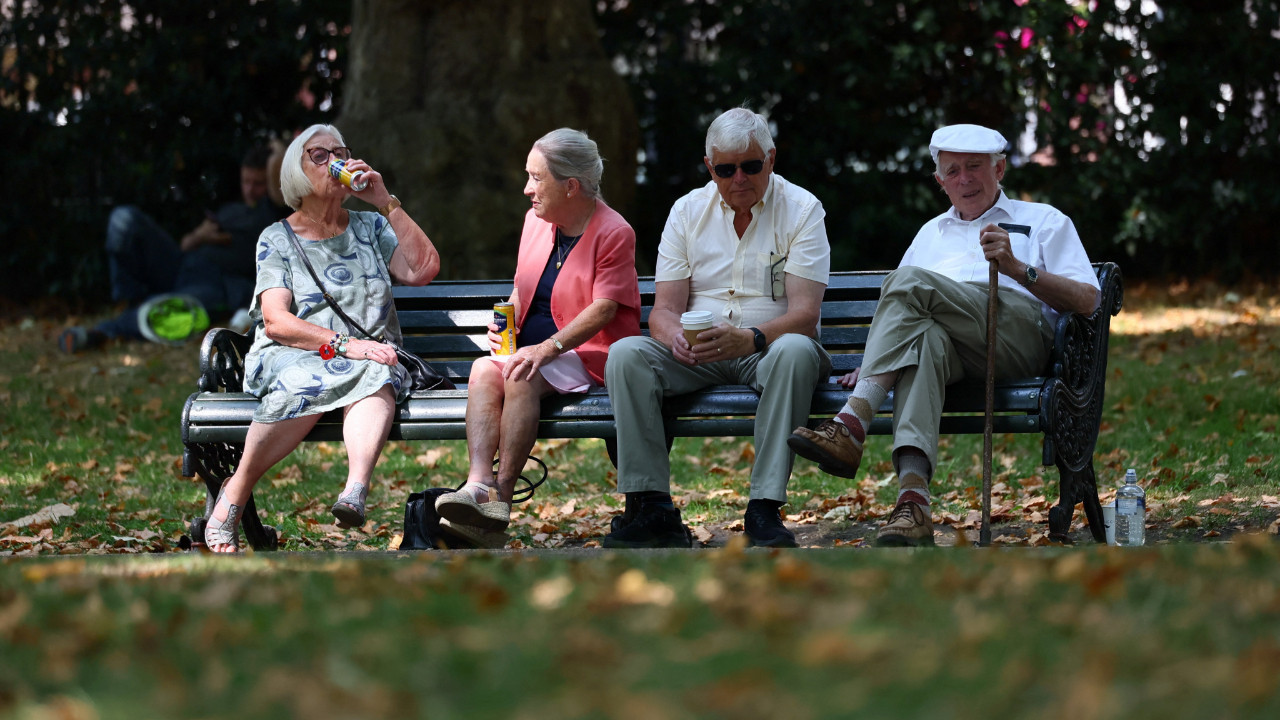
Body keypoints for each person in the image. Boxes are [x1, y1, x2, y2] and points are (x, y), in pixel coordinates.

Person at [788, 124, 1101, 547]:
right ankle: (913, 504)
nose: (965, 179)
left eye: (975, 167)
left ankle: (851, 421)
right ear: (940, 182)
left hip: (1017, 337)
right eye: (953, 171)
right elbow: (905, 312)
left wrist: (1017, 269)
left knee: (908, 281)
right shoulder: (929, 233)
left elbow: (1088, 300)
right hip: (957, 349)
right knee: (924, 344)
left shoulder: (1042, 220)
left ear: (1001, 169)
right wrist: (882, 358)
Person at [203, 124, 441, 552]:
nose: (336, 161)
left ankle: (354, 490)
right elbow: (276, 322)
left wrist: (386, 202)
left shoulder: (370, 227)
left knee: (378, 370)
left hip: (367, 359)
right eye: (320, 155)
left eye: (341, 152)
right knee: (322, 374)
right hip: (294, 352)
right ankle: (234, 493)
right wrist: (347, 345)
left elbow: (422, 270)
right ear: (296, 170)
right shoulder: (278, 238)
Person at [602, 108, 832, 549]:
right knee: (627, 354)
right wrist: (675, 339)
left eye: (751, 165)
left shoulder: (802, 209)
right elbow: (663, 312)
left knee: (797, 351)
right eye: (726, 169)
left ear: (772, 158)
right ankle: (652, 508)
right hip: (700, 352)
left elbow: (805, 313)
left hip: (770, 346)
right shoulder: (687, 211)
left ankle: (764, 509)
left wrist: (751, 337)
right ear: (710, 168)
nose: (739, 178)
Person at [432, 128, 642, 549]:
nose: (527, 189)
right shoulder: (535, 221)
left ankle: (501, 498)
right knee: (483, 370)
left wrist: (547, 348)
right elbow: (521, 286)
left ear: (571, 186)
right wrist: (505, 323)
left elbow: (604, 309)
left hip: (586, 352)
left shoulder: (614, 231)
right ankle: (477, 485)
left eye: (536, 178)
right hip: (530, 351)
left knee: (521, 375)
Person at [58, 146, 288, 352]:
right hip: (182, 264)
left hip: (217, 283)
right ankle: (130, 300)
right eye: (245, 182)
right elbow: (185, 245)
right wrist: (202, 236)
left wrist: (276, 145)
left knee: (170, 308)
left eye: (257, 184)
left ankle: (100, 333)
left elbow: (279, 171)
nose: (249, 190)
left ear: (269, 183)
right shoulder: (230, 209)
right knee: (123, 219)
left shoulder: (272, 213)